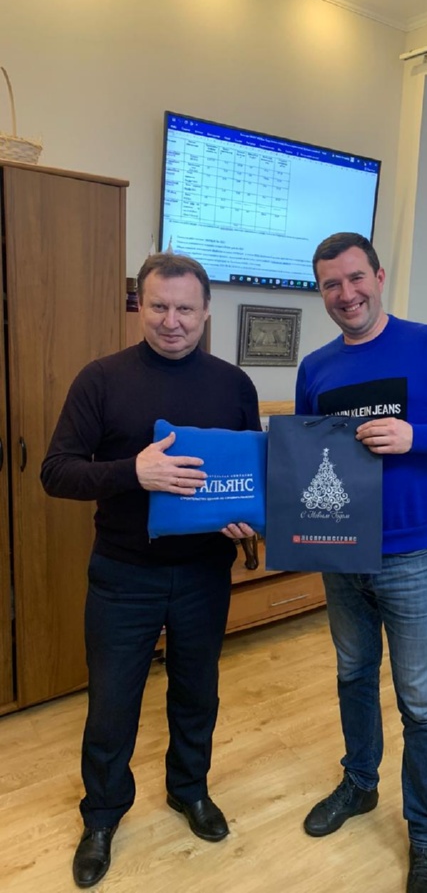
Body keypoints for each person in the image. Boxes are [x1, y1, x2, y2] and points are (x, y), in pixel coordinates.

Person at [41, 253, 261, 888]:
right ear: (139, 305)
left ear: (206, 312)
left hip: (204, 574)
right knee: (112, 704)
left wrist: (245, 520)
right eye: (159, 306)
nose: (172, 321)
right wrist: (132, 472)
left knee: (197, 693)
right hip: (123, 574)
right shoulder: (101, 379)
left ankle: (189, 789)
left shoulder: (234, 385)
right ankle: (102, 816)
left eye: (185, 308)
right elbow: (56, 472)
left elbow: (248, 474)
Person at [295, 232, 427, 893]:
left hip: (410, 553)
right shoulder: (316, 367)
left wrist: (419, 435)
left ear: (378, 276)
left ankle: (425, 838)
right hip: (339, 549)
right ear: (321, 292)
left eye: (355, 277)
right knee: (353, 675)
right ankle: (360, 783)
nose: (346, 293)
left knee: (421, 703)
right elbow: (304, 456)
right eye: (331, 284)